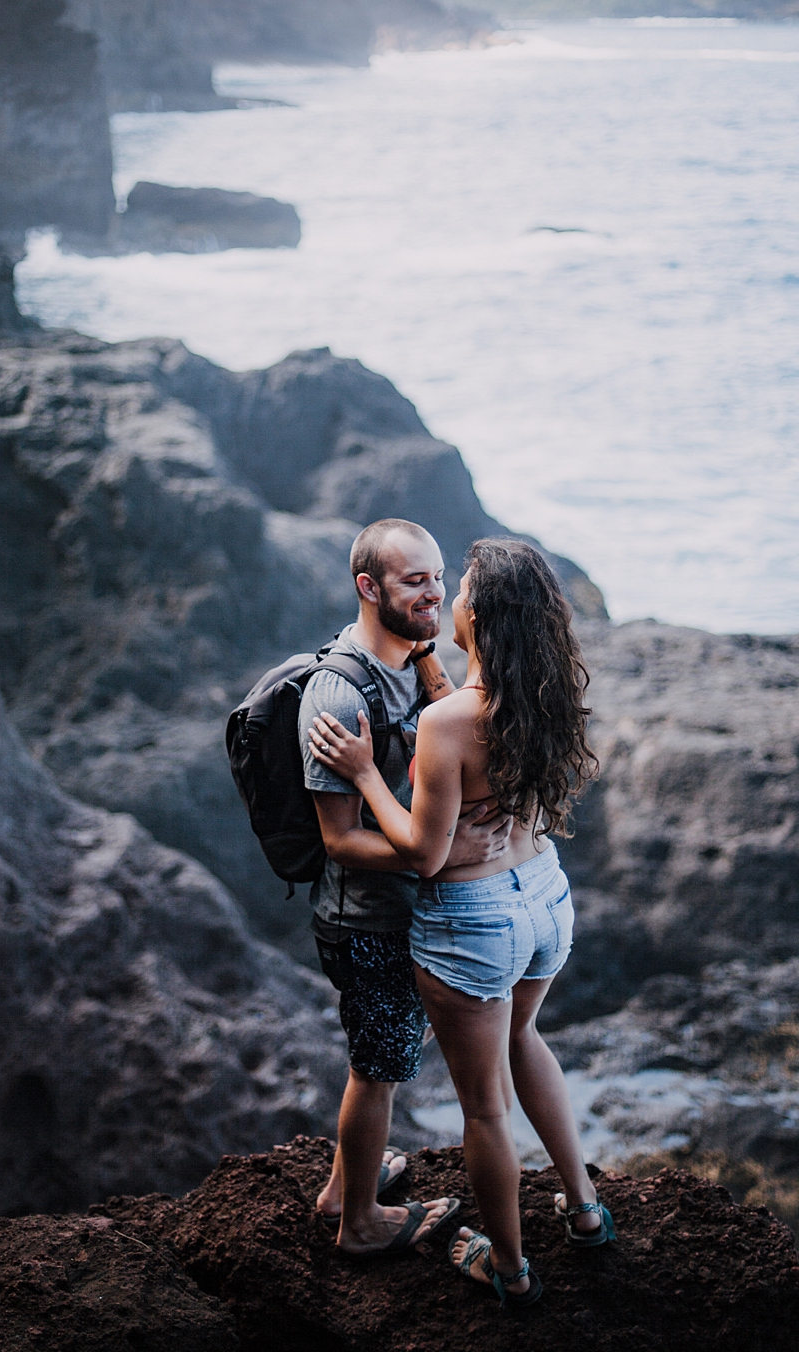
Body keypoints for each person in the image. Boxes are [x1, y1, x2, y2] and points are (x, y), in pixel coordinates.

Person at [309, 537, 611, 1310]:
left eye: (461, 588)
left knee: (482, 1107)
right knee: (524, 1038)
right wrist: (436, 676)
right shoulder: (539, 694)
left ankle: (507, 1268)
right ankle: (583, 1210)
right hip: (543, 896)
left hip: (475, 919)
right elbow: (478, 733)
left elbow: (422, 854)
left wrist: (365, 773)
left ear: (482, 614)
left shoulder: (447, 722)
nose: (450, 598)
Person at [299, 518, 516, 1257]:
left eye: (436, 578)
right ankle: (358, 1223)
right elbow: (339, 840)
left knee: (383, 1056)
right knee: (378, 1062)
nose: (433, 594)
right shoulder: (336, 694)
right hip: (361, 917)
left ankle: (340, 1188)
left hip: (404, 907)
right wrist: (437, 855)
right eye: (412, 581)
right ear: (369, 588)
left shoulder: (414, 657)